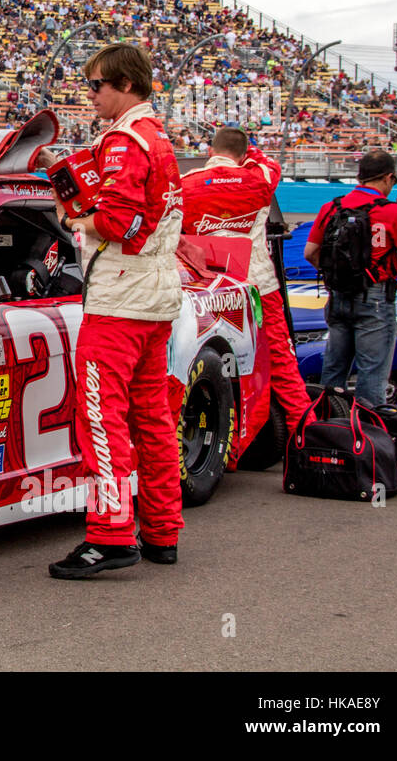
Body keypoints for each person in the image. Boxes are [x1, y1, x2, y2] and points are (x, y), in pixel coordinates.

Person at [42, 43, 185, 578]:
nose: (90, 95)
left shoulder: (125, 139)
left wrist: (74, 214)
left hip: (120, 298)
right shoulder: (158, 136)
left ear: (125, 83)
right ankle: (163, 531)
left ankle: (111, 535)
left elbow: (120, 223)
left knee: (101, 419)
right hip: (155, 295)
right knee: (152, 415)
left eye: (96, 85)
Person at [181, 127, 313, 445]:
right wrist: (246, 154)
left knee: (206, 363)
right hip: (258, 286)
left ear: (211, 152)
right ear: (242, 155)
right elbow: (262, 159)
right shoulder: (261, 177)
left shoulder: (187, 183)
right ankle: (305, 435)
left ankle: (218, 440)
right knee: (280, 360)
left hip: (208, 290)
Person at [304, 151, 397, 406]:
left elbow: (310, 253)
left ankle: (327, 430)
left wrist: (335, 276)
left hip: (337, 296)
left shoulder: (332, 207)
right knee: (372, 376)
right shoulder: (393, 212)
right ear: (388, 177)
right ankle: (369, 437)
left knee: (333, 371)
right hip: (376, 298)